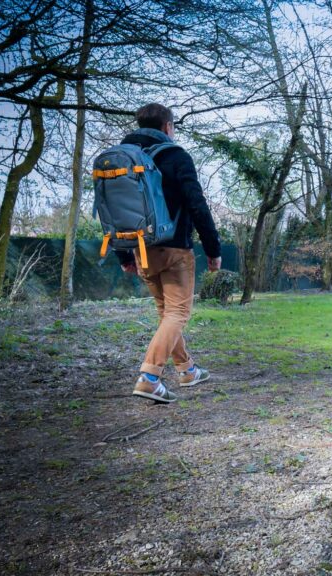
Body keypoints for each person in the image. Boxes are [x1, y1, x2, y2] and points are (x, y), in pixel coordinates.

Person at [118, 103, 222, 403]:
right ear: (167, 127)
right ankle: (149, 378)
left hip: (141, 250)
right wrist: (213, 248)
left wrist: (123, 255)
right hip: (175, 248)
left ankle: (187, 369)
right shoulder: (176, 156)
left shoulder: (122, 159)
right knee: (178, 313)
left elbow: (111, 210)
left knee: (167, 314)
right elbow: (196, 204)